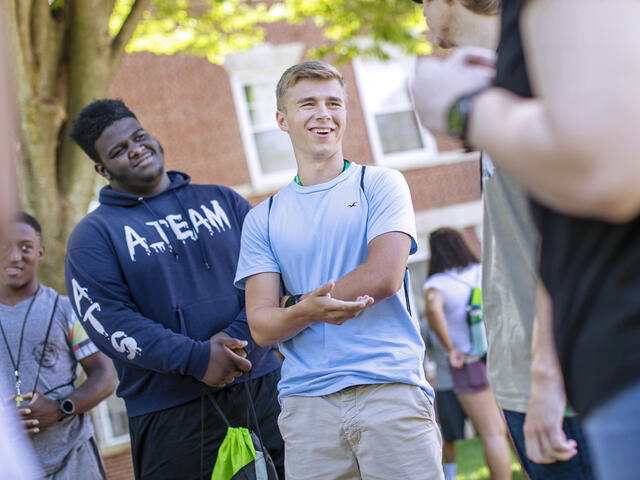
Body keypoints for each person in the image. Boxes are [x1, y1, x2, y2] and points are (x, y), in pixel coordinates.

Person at [410, 1, 640, 478]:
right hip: (540, 372)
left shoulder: (547, 69)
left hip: (569, 379)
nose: (423, 14)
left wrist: (547, 375)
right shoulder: (505, 79)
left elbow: (595, 194)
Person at [234, 61, 443, 480]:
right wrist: (308, 310)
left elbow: (383, 276)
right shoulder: (263, 218)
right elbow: (259, 327)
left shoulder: (380, 184)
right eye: (308, 103)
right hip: (306, 406)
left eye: (334, 103)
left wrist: (294, 307)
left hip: (388, 390)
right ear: (281, 119)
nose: (323, 114)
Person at [65, 99, 284, 480]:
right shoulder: (94, 236)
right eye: (119, 150)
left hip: (263, 386)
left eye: (139, 137)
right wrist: (197, 359)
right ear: (102, 169)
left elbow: (270, 276)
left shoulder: (225, 201)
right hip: (171, 412)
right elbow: (110, 320)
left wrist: (237, 339)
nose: (136, 150)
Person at [0, 212, 115, 478]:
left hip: (74, 459)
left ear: (40, 252)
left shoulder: (67, 310)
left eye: (25, 247)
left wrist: (59, 408)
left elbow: (105, 376)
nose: (15, 256)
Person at [423, 227, 511, 480]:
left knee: (491, 432)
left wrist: (451, 348)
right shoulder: (482, 271)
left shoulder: (436, 284)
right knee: (511, 425)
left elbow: (432, 309)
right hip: (501, 356)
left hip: (469, 364)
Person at [425, 329, 468, 480]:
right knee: (448, 437)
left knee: (493, 433)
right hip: (445, 385)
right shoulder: (427, 324)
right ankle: (450, 477)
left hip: (471, 381)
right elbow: (423, 356)